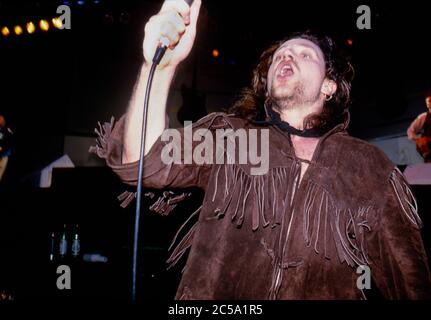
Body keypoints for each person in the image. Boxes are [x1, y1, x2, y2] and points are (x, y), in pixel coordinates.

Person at [91, 0, 431, 299]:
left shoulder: (368, 165)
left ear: (329, 86)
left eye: (304, 54)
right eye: (281, 54)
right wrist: (158, 67)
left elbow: (409, 278)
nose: (286, 56)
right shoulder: (233, 137)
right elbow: (141, 160)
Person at [407, 95, 431, 162]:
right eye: (428, 101)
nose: (429, 102)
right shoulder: (424, 116)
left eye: (430, 101)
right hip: (429, 143)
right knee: (422, 142)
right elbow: (410, 131)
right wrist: (418, 139)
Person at [0, 114, 13, 183]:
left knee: (1, 172)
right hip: (3, 153)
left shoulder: (7, 129)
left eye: (1, 119)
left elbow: (10, 140)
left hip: (5, 154)